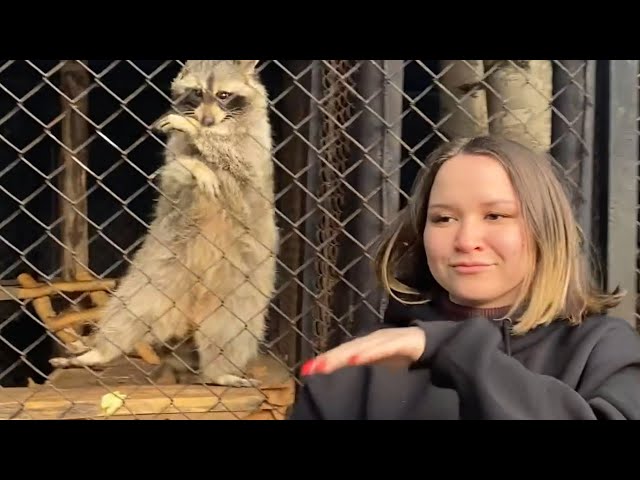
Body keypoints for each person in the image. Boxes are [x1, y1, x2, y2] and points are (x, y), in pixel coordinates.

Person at [288, 135, 640, 420]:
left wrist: (452, 349)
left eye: (496, 216)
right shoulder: (359, 368)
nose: (467, 240)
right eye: (443, 219)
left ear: (545, 230)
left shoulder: (603, 350)